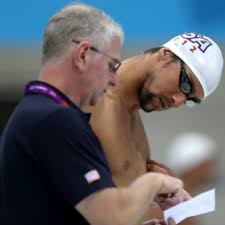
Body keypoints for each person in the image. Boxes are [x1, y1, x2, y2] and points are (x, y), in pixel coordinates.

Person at [0, 3, 186, 225]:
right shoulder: (54, 120)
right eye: (111, 65)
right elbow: (110, 217)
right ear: (83, 55)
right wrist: (154, 182)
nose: (114, 79)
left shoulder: (39, 113)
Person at [86, 32, 223, 223]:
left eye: (190, 99)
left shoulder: (130, 115)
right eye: (185, 84)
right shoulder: (94, 99)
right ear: (165, 54)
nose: (178, 101)